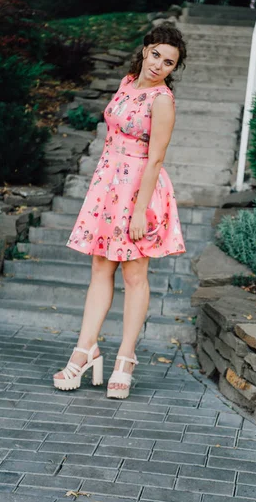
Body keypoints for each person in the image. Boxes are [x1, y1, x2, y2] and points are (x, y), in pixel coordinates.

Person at [53, 23, 187, 399]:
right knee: (99, 267)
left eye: (169, 62)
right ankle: (86, 349)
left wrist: (140, 210)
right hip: (108, 184)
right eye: (157, 54)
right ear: (146, 51)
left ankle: (126, 358)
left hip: (139, 188)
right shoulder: (127, 82)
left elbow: (156, 157)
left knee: (134, 274)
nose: (160, 64)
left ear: (174, 69)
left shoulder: (162, 100)